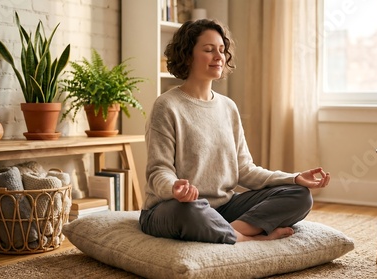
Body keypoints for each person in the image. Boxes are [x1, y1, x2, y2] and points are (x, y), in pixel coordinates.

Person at [139, 19, 330, 244]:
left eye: (222, 50)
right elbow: (158, 172)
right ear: (187, 55)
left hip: (223, 208)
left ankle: (226, 231)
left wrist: (294, 178)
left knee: (299, 195)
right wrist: (175, 188)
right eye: (209, 50)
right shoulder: (167, 105)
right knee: (190, 211)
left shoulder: (228, 107)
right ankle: (248, 237)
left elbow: (245, 170)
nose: (219, 57)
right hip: (173, 208)